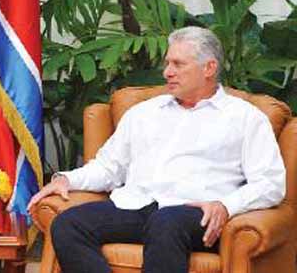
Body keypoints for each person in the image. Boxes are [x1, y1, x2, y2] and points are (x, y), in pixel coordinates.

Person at [28, 26, 286, 273]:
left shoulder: (246, 118)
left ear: (209, 68)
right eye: (167, 63)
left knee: (166, 222)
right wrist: (67, 179)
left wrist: (225, 205)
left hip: (194, 214)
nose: (167, 72)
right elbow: (109, 167)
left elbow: (270, 184)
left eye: (178, 64)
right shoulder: (143, 113)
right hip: (138, 206)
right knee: (68, 224)